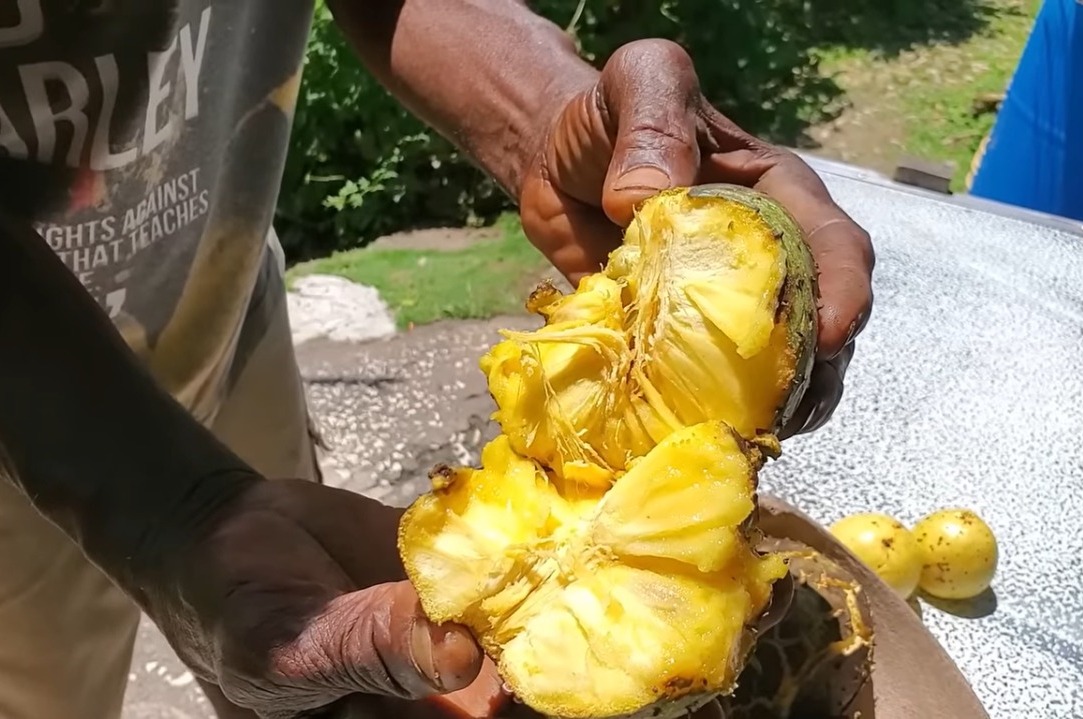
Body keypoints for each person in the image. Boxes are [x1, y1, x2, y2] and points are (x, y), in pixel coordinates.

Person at [0, 1, 874, 718]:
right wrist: (154, 506)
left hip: (220, 286)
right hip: (19, 416)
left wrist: (540, 115)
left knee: (295, 631)